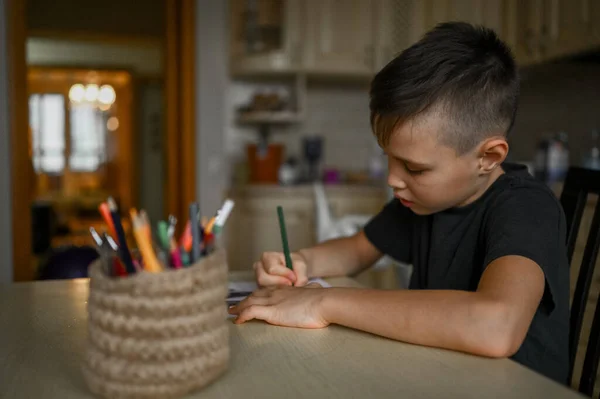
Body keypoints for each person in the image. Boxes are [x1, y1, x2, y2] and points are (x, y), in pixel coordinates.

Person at [228, 22, 570, 384]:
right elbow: (357, 250)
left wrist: (322, 302)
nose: (392, 178)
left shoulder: (527, 208)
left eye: (413, 167)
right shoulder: (426, 201)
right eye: (389, 158)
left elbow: (495, 326)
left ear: (488, 157)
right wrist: (299, 262)